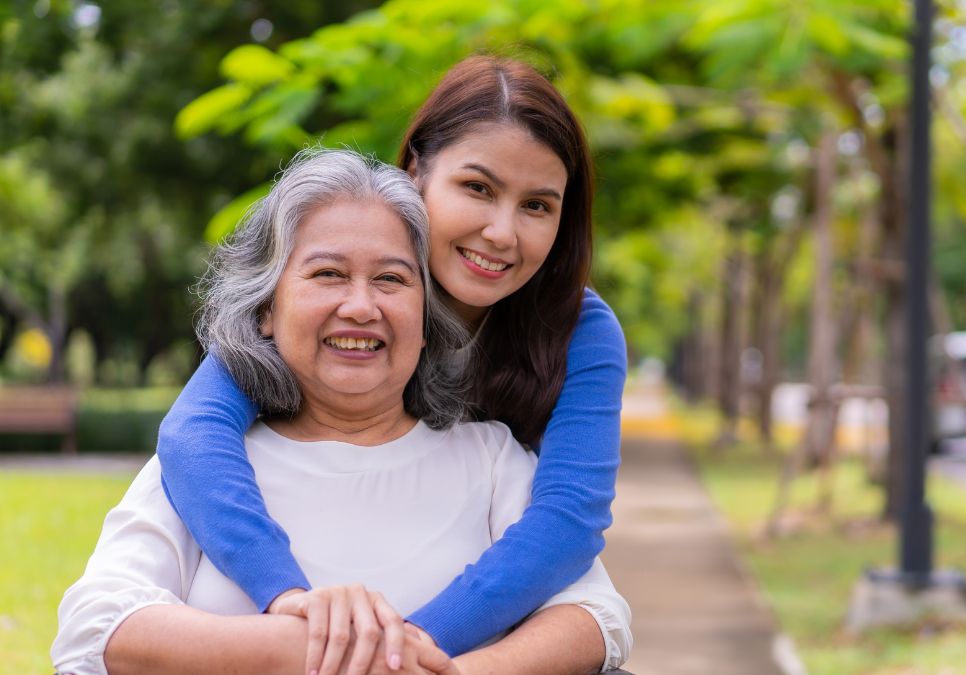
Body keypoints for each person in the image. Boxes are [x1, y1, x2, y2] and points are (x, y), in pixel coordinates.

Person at [52, 149, 632, 675]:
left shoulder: (490, 457)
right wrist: (310, 646)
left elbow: (595, 617)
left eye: (391, 279)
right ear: (266, 311)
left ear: (427, 324)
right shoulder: (210, 466)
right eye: (327, 274)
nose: (361, 306)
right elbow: (93, 627)